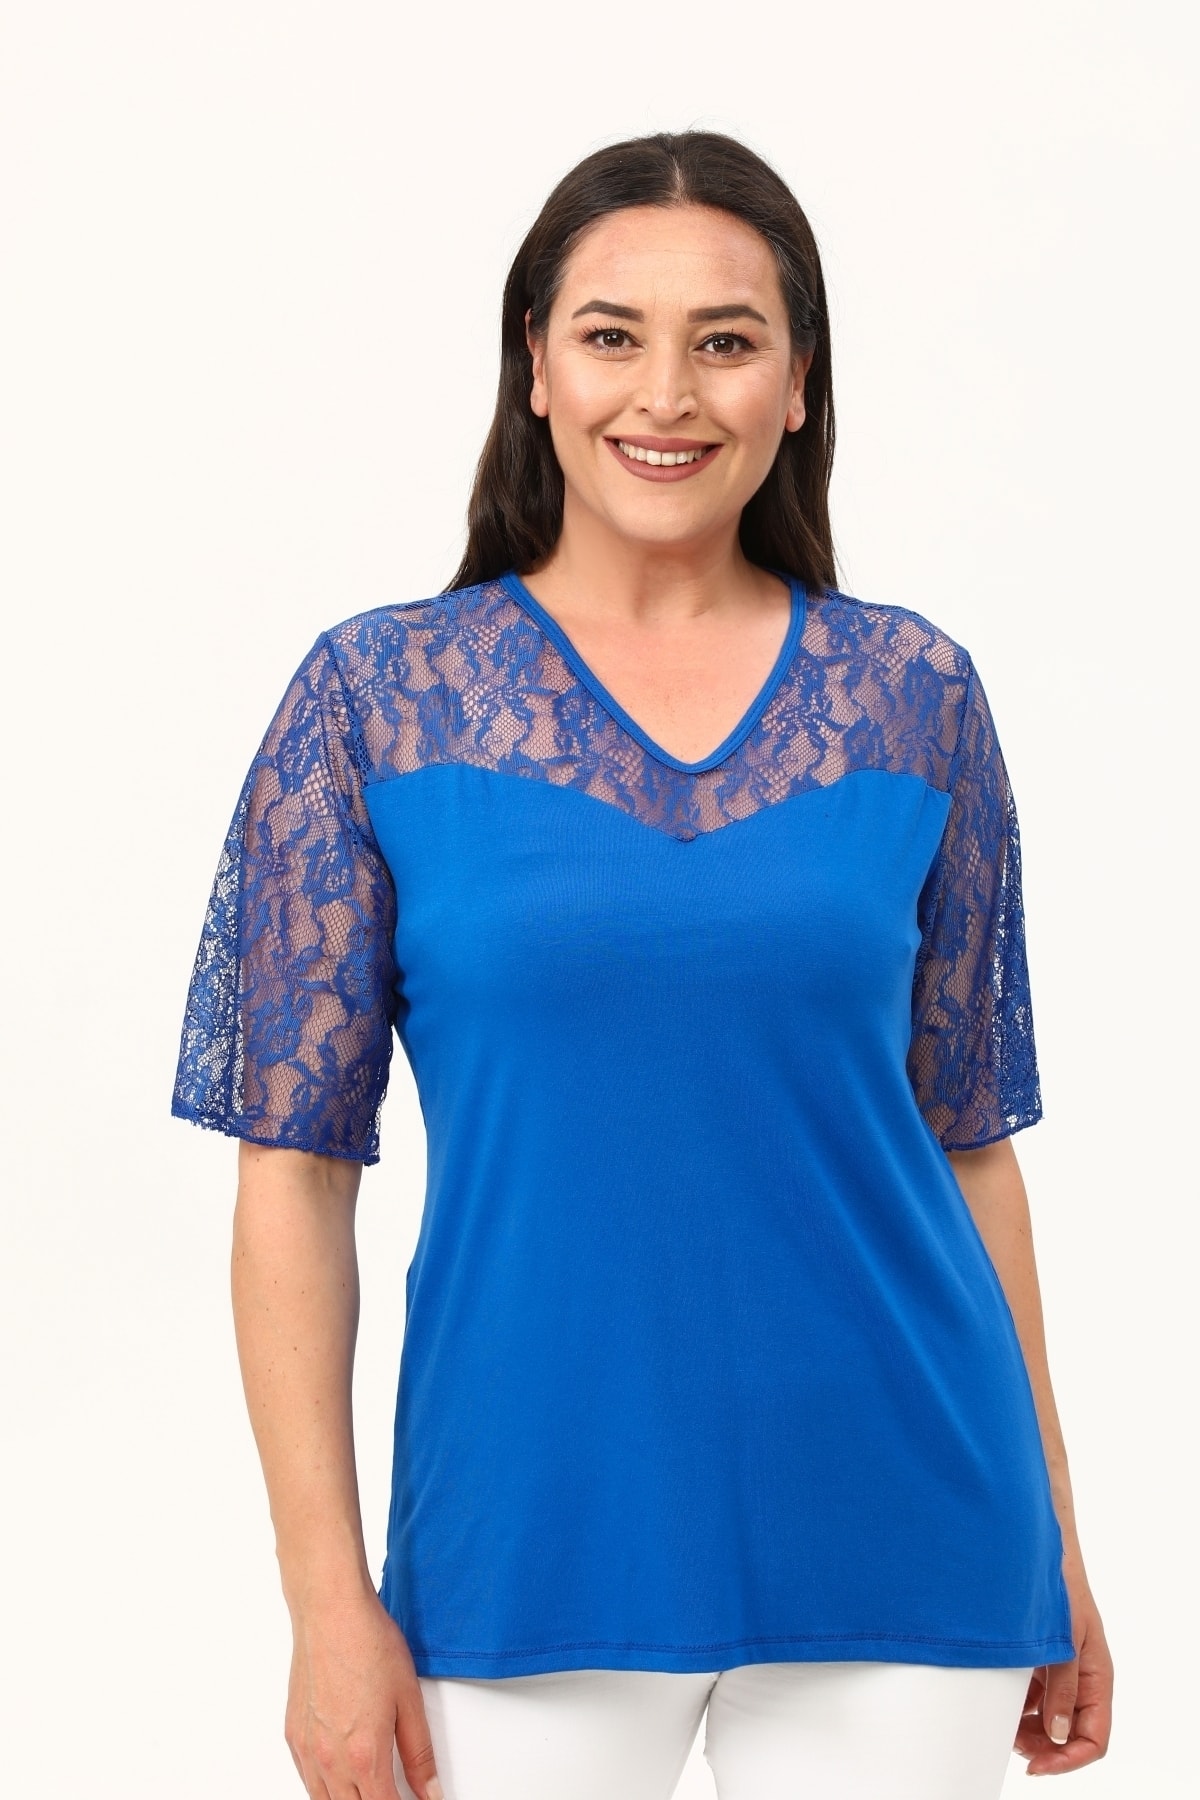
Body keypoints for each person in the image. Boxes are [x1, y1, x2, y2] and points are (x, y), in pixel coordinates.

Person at [172, 130, 1114, 1800]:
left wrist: (1059, 1545)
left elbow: (971, 1148)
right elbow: (293, 1177)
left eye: (726, 340)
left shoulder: (916, 696)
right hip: (525, 1545)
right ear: (535, 365)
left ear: (799, 383)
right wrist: (324, 1603)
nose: (666, 394)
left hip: (911, 1542)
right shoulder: (376, 700)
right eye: (613, 335)